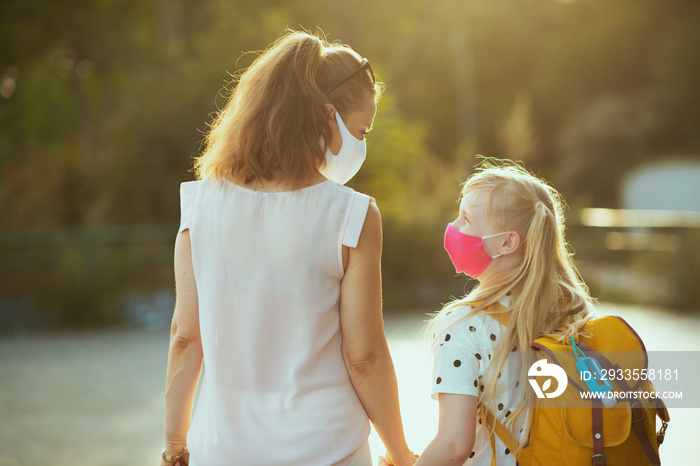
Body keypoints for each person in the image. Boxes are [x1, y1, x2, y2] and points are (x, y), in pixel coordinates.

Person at [160, 31, 416, 466]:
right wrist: (400, 454)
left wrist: (174, 447)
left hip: (223, 450)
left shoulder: (199, 206)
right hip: (330, 448)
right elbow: (365, 356)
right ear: (327, 117)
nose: (361, 143)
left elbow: (186, 338)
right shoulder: (352, 216)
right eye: (361, 130)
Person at [381, 160, 594, 465]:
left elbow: (454, 445)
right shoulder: (574, 312)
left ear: (507, 242)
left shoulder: (465, 325)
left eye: (465, 219)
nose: (453, 227)